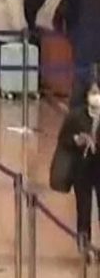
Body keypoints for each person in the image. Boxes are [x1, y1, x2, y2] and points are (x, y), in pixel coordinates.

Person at [59, 81, 100, 256]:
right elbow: (63, 139)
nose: (96, 96)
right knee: (83, 208)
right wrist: (77, 140)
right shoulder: (75, 116)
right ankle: (84, 246)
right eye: (93, 92)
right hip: (81, 169)